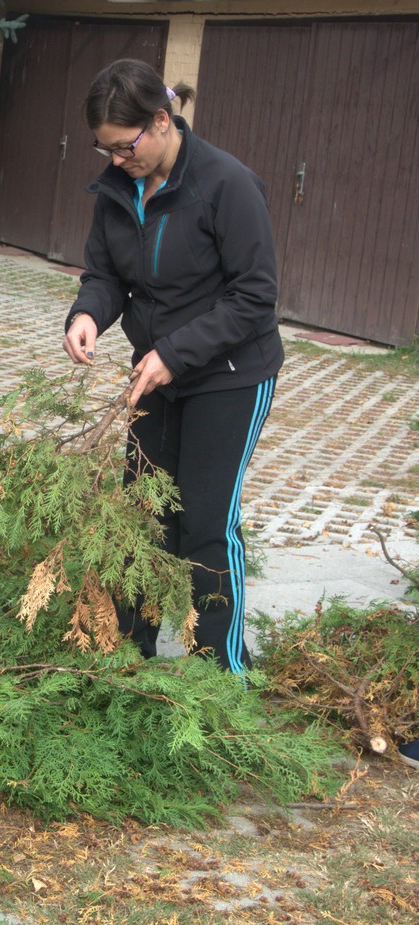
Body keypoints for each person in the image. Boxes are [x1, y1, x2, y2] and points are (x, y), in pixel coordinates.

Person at [63, 58, 284, 674]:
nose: (115, 159)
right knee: (142, 514)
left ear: (162, 121)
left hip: (231, 375)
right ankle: (125, 658)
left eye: (124, 145)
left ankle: (221, 672)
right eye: (105, 148)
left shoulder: (226, 184)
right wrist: (87, 313)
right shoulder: (118, 187)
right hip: (156, 373)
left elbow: (254, 295)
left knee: (205, 523)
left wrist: (175, 353)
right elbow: (105, 274)